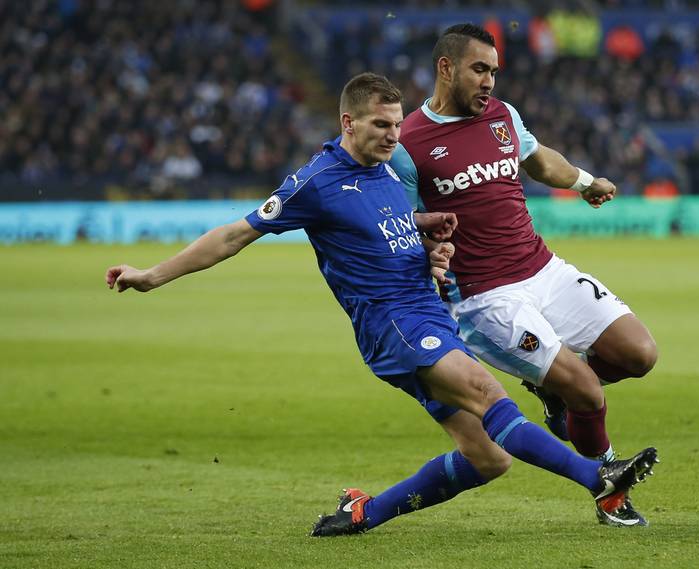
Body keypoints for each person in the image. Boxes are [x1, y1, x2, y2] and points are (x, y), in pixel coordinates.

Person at [105, 72, 659, 536]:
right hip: (394, 325)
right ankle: (600, 481)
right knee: (489, 393)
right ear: (348, 123)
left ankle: (363, 514)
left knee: (488, 459)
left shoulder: (389, 172)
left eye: (396, 125)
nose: (392, 135)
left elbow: (386, 227)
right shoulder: (316, 182)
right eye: (379, 126)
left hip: (427, 310)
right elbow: (234, 234)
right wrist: (152, 275)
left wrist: (430, 237)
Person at [390, 24, 659, 526]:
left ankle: (555, 392)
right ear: (446, 68)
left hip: (544, 268)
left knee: (639, 354)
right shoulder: (408, 143)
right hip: (485, 298)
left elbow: (538, 161)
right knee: (585, 390)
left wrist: (584, 181)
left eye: (493, 70)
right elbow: (401, 227)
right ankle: (607, 485)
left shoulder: (502, 116)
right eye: (479, 69)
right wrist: (430, 250)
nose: (490, 80)